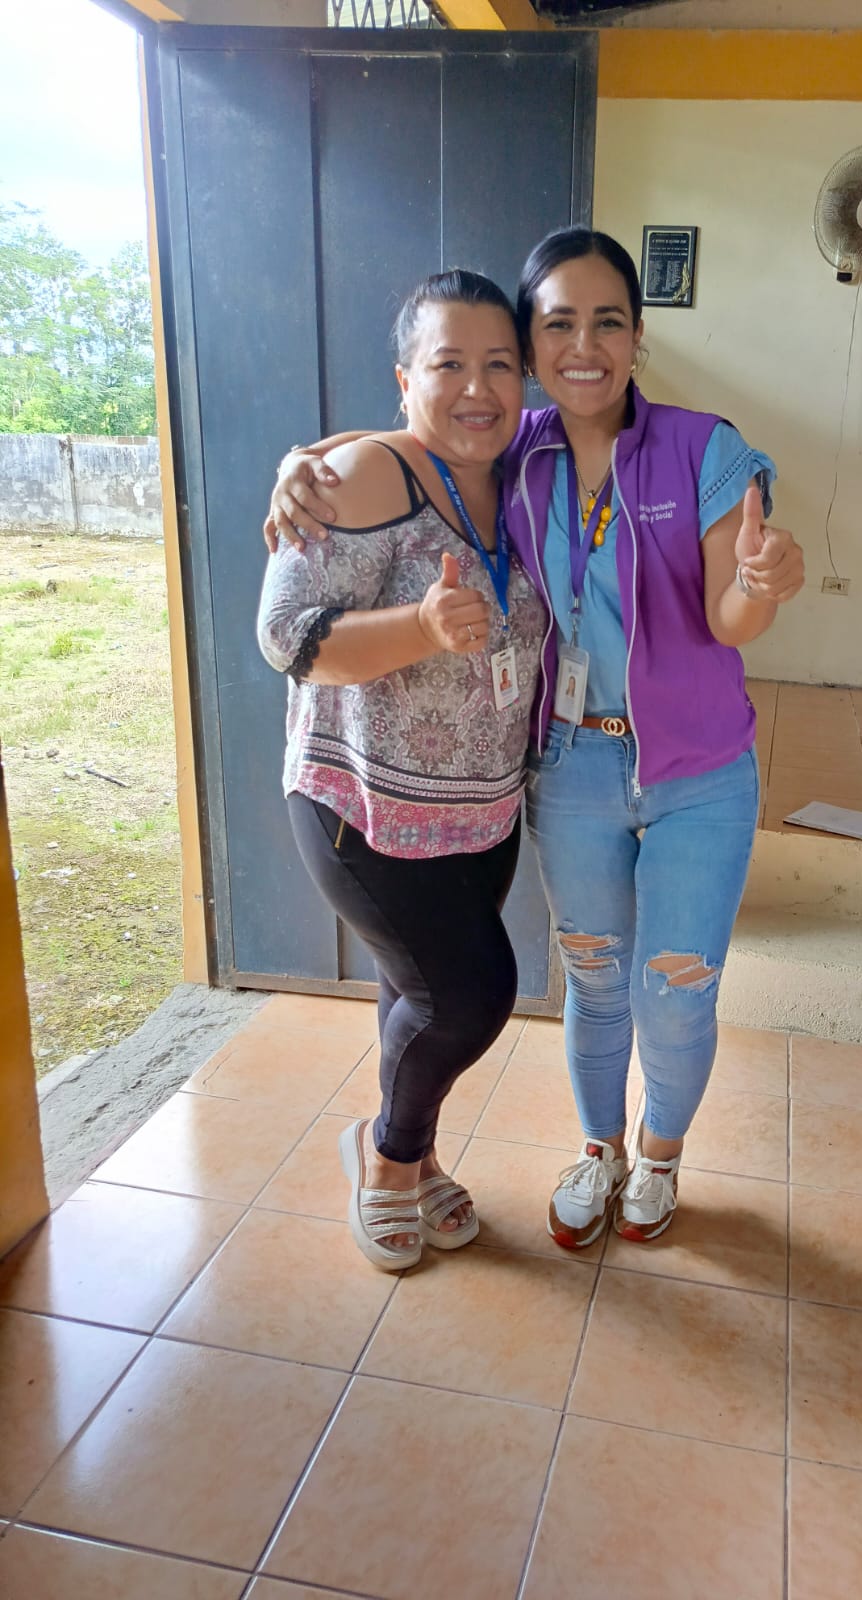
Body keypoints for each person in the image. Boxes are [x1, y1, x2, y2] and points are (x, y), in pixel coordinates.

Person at [266, 228, 805, 1250]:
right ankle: (598, 1151)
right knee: (594, 981)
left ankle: (658, 1157)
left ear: (639, 336)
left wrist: (760, 581)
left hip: (696, 773)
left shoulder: (702, 447)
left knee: (675, 989)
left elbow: (731, 618)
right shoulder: (523, 446)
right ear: (535, 345)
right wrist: (306, 462)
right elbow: (422, 428)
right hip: (571, 766)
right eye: (558, 325)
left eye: (608, 321)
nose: (583, 345)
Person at [257, 269, 545, 1271]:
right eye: (448, 363)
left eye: (499, 364)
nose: (477, 388)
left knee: (413, 993)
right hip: (364, 810)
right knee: (471, 995)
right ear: (405, 379)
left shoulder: (525, 471)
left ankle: (415, 1160)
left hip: (483, 811)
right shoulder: (368, 472)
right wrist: (419, 627)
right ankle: (387, 1157)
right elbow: (286, 634)